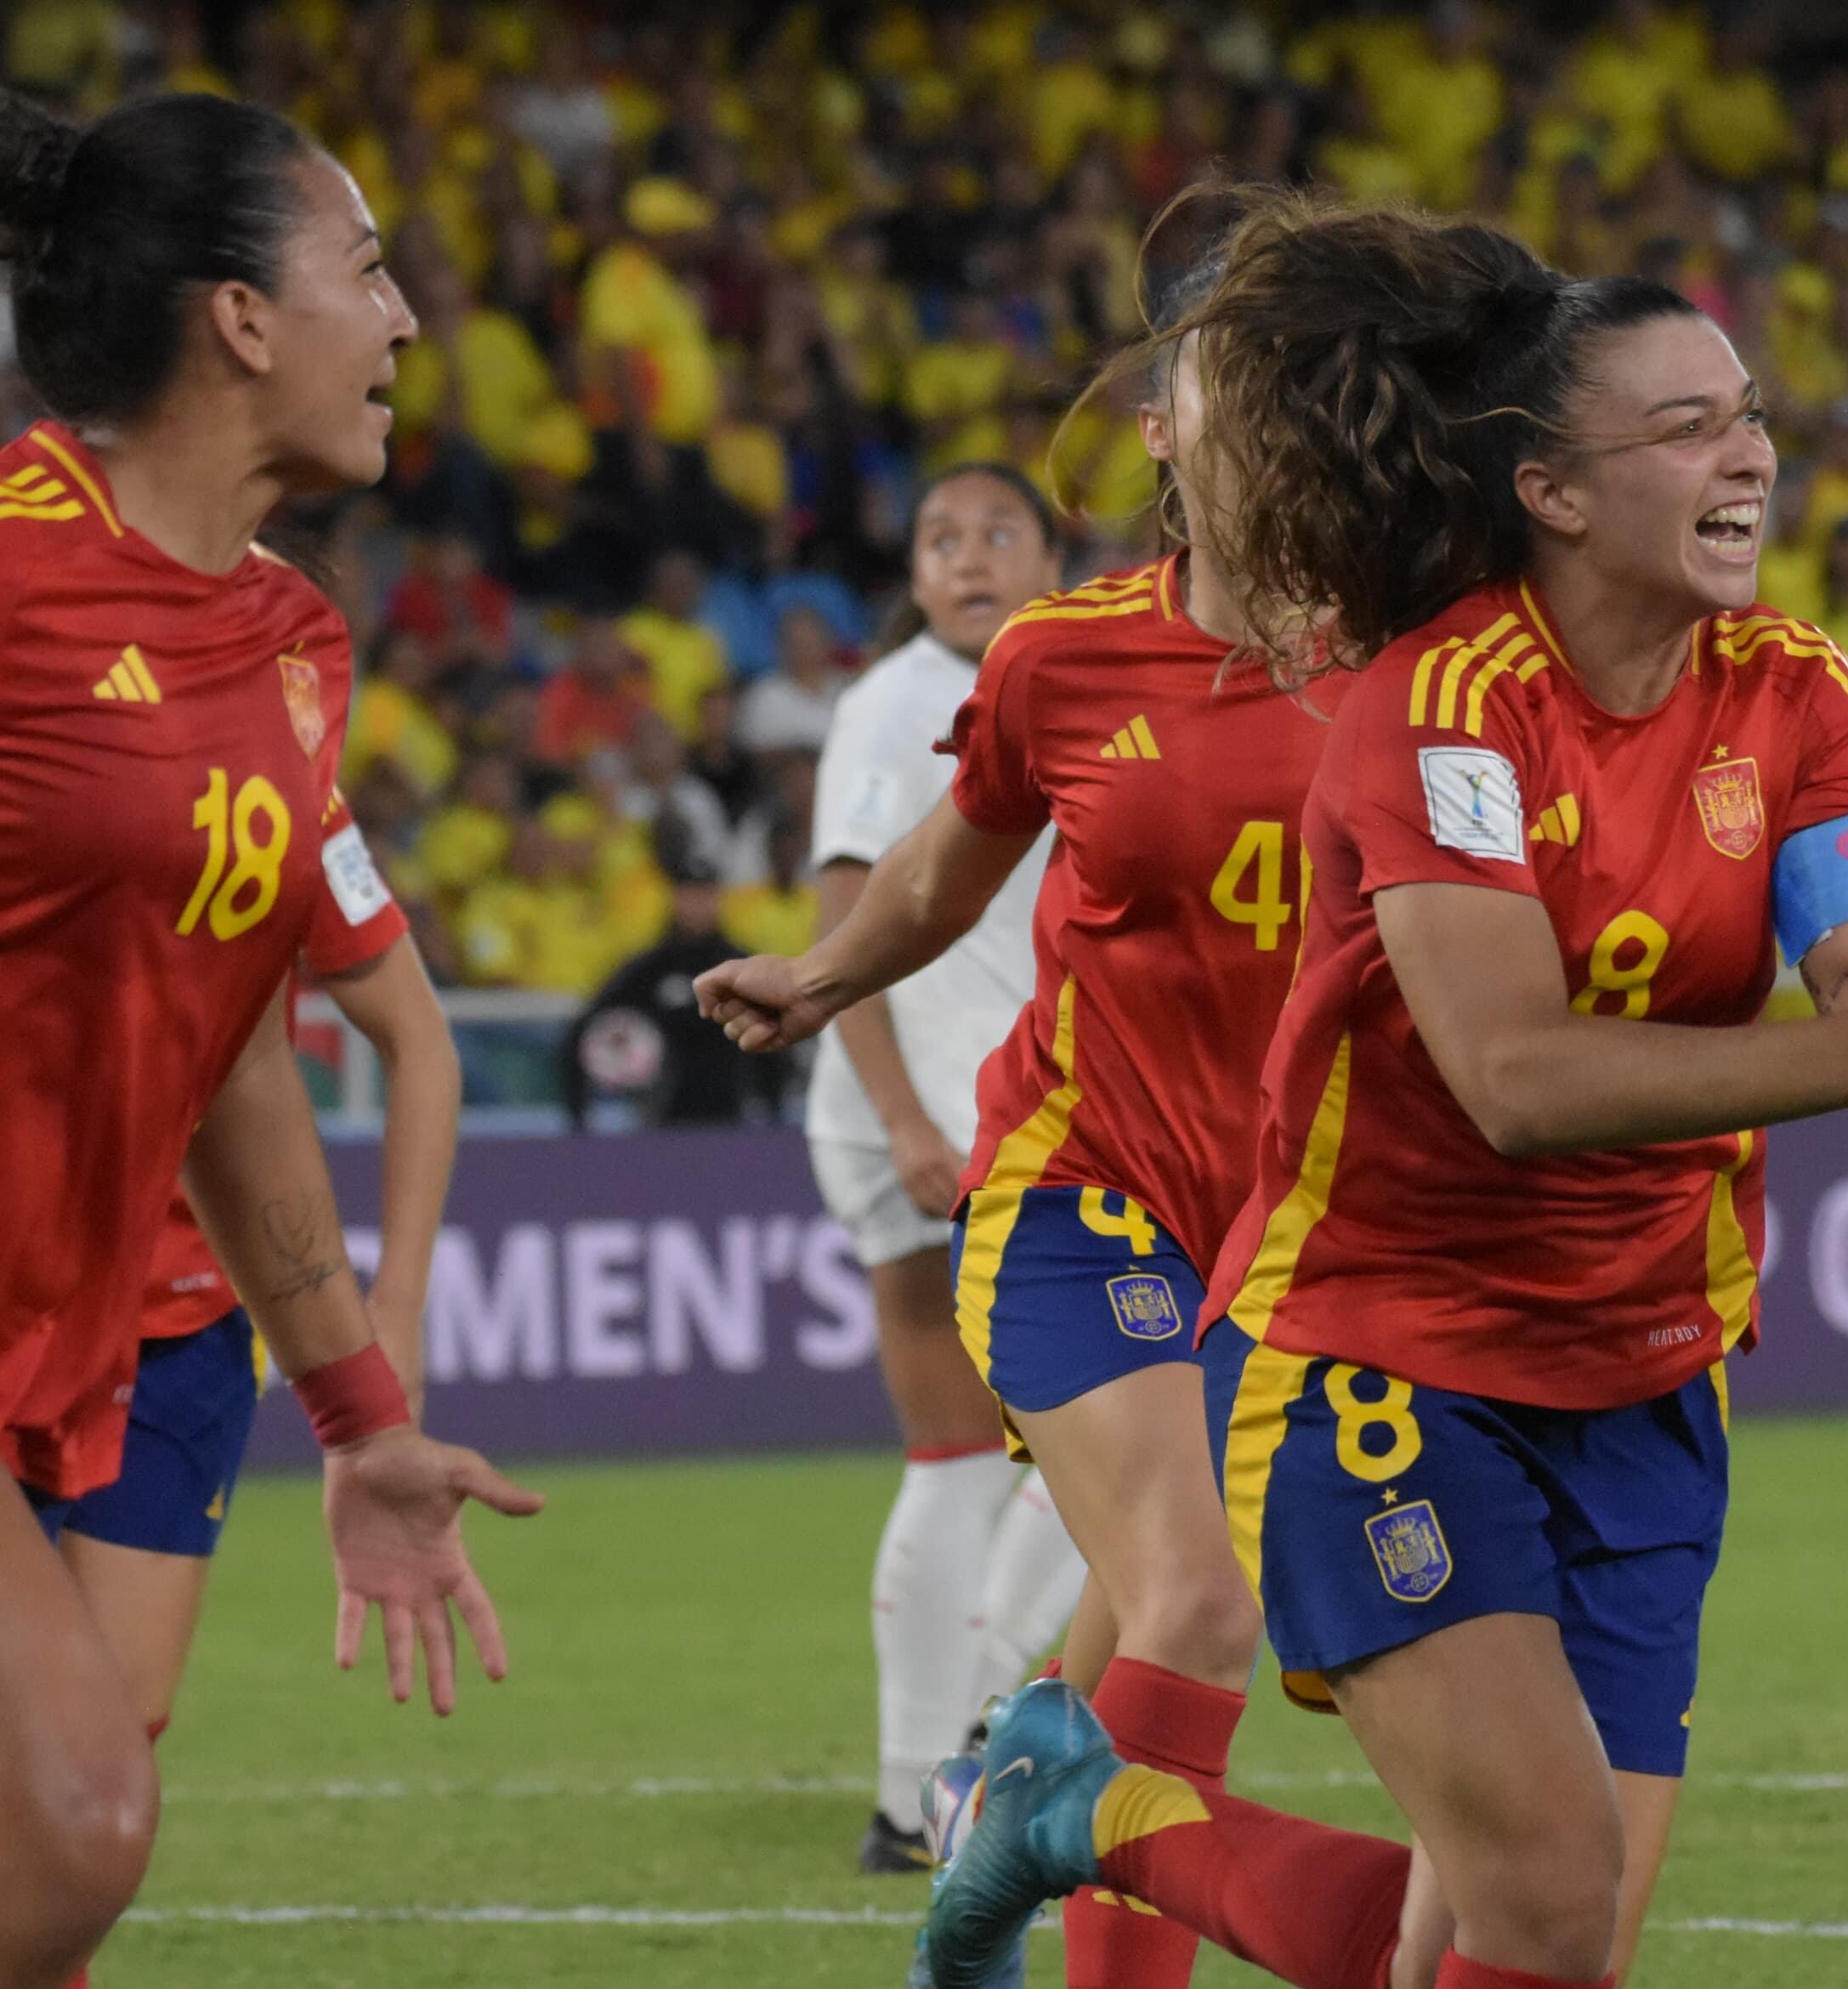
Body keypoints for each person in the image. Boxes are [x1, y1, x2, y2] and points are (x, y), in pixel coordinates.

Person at [907, 196, 1848, 1989]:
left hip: (1645, 1366)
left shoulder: (1792, 696)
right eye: (1685, 426)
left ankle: (1073, 1812)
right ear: (1551, 487)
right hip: (1385, 1352)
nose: (1748, 452)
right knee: (1532, 1897)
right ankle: (1092, 1818)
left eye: (1749, 411)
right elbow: (1515, 1078)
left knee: (1547, 1941)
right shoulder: (1438, 710)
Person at [694, 230, 1347, 1989]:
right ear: (1158, 428)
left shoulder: (1407, 659)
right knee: (1202, 1604)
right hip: (1077, 1185)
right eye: (1234, 374)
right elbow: (941, 874)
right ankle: (1021, 1815)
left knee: (1137, 1643)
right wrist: (820, 976)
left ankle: (1008, 1818)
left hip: (1284, 1234)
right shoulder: (1060, 658)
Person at [0, 89, 537, 1989]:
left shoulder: (293, 642)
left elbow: (226, 1056)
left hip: (91, 1334)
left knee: (55, 1867)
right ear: (241, 318)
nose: (401, 323)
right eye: (367, 270)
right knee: (68, 1838)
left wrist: (362, 1417)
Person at [54, 907, 458, 1986]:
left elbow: (391, 1041)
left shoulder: (288, 770)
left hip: (178, 1334)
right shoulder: (56, 763)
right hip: (29, 1309)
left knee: (98, 1789)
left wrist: (393, 1324)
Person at [804, 462, 1089, 1876]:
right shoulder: (901, 701)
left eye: (998, 533)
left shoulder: (1059, 673)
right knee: (1115, 1433)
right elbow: (842, 917)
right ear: (910, 575)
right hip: (933, 1111)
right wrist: (907, 1119)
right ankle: (959, 1750)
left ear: (1053, 551)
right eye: (939, 538)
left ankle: (919, 1790)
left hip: (1009, 1106)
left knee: (989, 1451)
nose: (969, 559)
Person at [558, 828, 787, 1128]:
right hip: (663, 1130)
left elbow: (777, 1042)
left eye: (706, 894)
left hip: (733, 1126)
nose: (698, 904)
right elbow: (583, 1032)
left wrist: (773, 1114)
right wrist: (579, 1119)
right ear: (674, 898)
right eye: (689, 894)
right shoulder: (648, 969)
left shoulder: (742, 967)